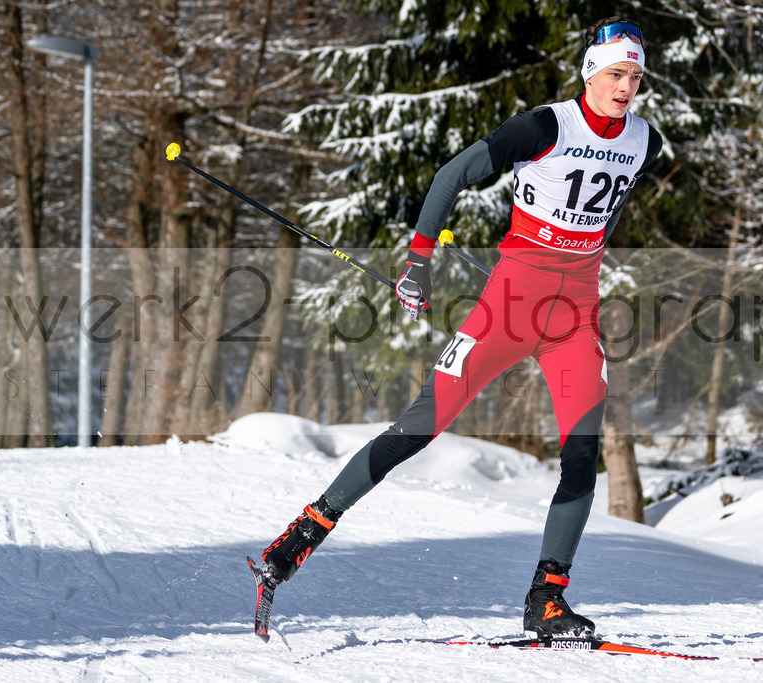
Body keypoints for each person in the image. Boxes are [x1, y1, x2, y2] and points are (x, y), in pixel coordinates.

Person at [258, 17, 663, 639]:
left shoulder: (644, 141)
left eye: (634, 75)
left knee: (582, 456)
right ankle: (301, 535)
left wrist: (566, 250)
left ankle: (547, 600)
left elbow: (601, 212)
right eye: (615, 73)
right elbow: (451, 175)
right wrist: (417, 263)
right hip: (508, 310)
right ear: (590, 74)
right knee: (419, 427)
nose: (625, 86)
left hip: (574, 320)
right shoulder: (545, 126)